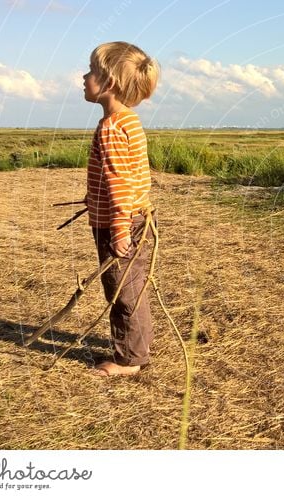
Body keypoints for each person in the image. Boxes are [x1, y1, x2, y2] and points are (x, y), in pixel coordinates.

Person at [82, 41, 160, 376]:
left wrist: (117, 229)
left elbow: (119, 183)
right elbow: (131, 176)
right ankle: (137, 347)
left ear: (109, 83)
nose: (84, 77)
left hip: (121, 223)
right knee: (133, 286)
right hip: (136, 216)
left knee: (123, 290)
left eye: (91, 72)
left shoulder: (111, 127)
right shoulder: (130, 121)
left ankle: (129, 359)